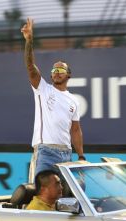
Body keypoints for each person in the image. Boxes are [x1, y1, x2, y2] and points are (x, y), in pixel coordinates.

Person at [21, 18, 86, 182]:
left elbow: (76, 130)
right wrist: (29, 41)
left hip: (66, 152)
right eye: (54, 70)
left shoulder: (73, 100)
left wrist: (81, 156)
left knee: (68, 194)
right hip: (45, 151)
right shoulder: (42, 88)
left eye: (61, 69)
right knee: (38, 192)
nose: (57, 72)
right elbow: (30, 66)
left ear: (68, 75)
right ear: (50, 75)